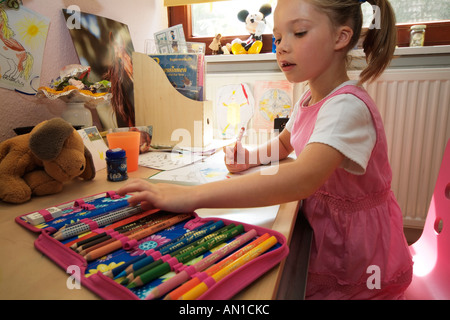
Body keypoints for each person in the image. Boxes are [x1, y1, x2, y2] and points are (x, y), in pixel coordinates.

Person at [117, 0, 413, 299]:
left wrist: (189, 195)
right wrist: (249, 157)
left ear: (341, 37)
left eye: (298, 32)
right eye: (279, 37)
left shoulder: (346, 107)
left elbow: (301, 179)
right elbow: (286, 143)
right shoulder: (310, 97)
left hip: (354, 250)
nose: (281, 47)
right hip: (322, 230)